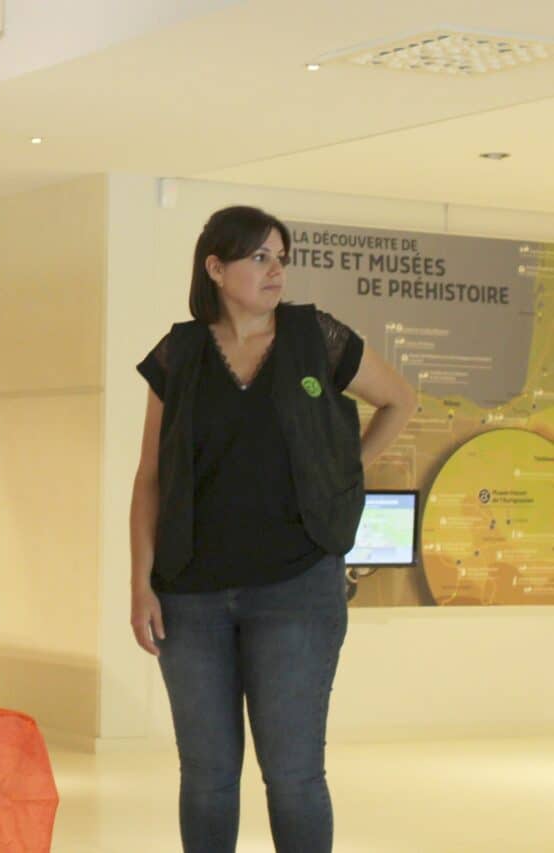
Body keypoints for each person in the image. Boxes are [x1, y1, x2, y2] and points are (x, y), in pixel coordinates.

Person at [129, 206, 415, 852]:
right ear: (215, 267)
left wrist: (339, 471)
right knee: (206, 778)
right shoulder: (179, 355)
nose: (275, 269)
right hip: (190, 595)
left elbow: (401, 399)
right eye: (259, 256)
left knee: (292, 775)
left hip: (297, 592)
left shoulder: (318, 336)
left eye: (281, 256)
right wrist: (139, 582)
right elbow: (149, 478)